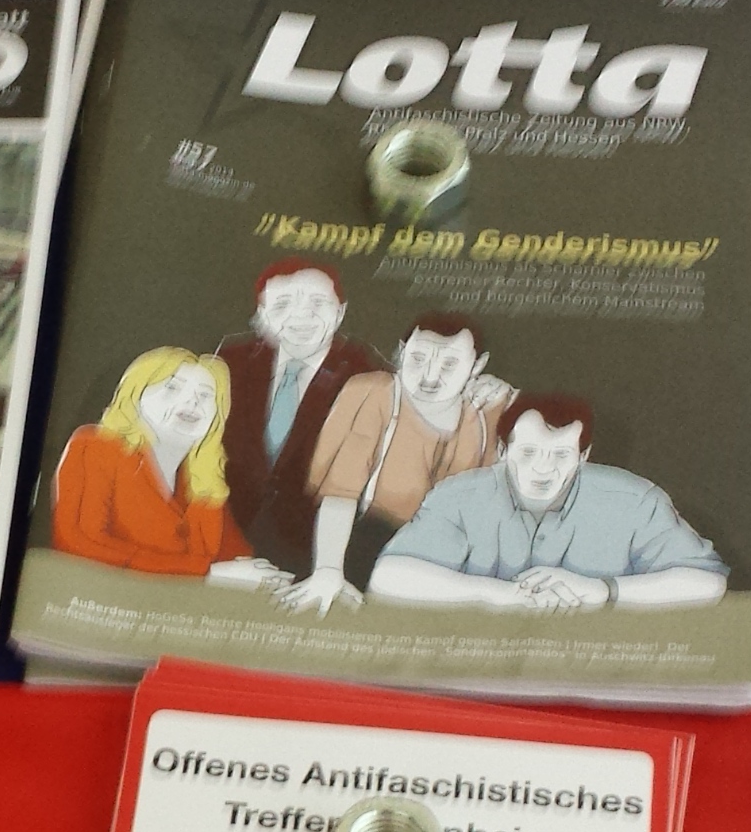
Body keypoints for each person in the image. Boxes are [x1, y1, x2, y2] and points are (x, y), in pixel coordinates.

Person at [368, 393, 728, 612]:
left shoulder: (635, 499)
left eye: (560, 455)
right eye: (528, 452)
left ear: (583, 456)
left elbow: (708, 583)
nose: (543, 468)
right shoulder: (459, 496)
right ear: (503, 451)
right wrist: (502, 596)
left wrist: (603, 591)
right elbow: (389, 577)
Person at [275, 311, 516, 614]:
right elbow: (340, 493)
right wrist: (328, 571)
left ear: (477, 365)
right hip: (364, 543)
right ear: (402, 352)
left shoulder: (488, 408)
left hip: (451, 555)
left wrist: (507, 394)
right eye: (418, 359)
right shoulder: (373, 393)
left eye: (450, 364)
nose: (430, 376)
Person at [50, 347, 292, 585]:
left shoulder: (204, 478)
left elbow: (237, 559)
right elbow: (78, 544)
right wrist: (206, 574)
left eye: (205, 395)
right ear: (134, 396)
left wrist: (269, 580)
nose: (192, 401)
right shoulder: (95, 445)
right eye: (172, 388)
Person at [215, 261, 382, 576]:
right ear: (262, 315)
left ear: (340, 312)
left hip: (319, 558)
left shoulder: (369, 375)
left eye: (317, 302)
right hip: (225, 547)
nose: (301, 315)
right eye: (282, 304)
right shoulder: (228, 363)